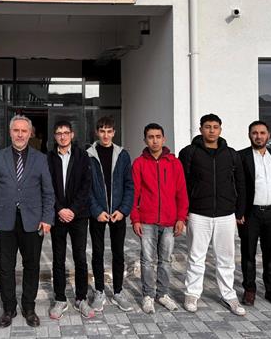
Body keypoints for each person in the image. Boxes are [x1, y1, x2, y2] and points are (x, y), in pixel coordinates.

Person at [0, 115, 55, 328]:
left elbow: (48, 192)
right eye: (16, 130)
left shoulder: (40, 159)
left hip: (32, 222)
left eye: (24, 131)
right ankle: (9, 308)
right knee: (6, 267)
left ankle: (29, 307)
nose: (20, 134)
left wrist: (47, 218)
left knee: (31, 266)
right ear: (10, 132)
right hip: (4, 222)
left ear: (30, 133)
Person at [178, 113, 246, 316]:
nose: (211, 130)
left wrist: (239, 210)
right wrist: (184, 210)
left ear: (220, 130)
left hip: (226, 214)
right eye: (207, 127)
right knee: (196, 257)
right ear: (200, 129)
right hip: (198, 213)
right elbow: (181, 184)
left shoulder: (231, 154)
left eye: (215, 127)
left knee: (226, 258)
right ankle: (192, 294)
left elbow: (240, 183)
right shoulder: (189, 152)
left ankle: (229, 295)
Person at [130, 123, 188, 314]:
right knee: (147, 260)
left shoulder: (174, 163)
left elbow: (181, 192)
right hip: (146, 221)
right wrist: (135, 219)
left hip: (169, 221)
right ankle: (148, 295)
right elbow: (134, 193)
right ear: (145, 140)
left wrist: (181, 218)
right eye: (150, 137)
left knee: (165, 260)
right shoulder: (139, 163)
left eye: (158, 137)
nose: (154, 141)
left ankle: (162, 294)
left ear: (164, 139)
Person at [47, 120, 94, 319]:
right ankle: (60, 299)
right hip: (57, 215)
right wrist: (59, 209)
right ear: (55, 136)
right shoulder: (48, 158)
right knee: (58, 258)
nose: (63, 136)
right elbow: (47, 187)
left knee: (80, 257)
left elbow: (86, 186)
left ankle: (81, 298)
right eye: (59, 133)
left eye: (66, 132)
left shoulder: (83, 156)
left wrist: (72, 210)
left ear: (72, 135)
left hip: (78, 215)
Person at [87, 116, 134, 312]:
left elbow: (129, 185)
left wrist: (123, 210)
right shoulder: (88, 155)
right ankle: (99, 291)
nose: (105, 135)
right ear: (97, 132)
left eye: (109, 131)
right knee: (97, 253)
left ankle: (118, 292)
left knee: (118, 253)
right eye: (102, 131)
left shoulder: (123, 155)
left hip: (117, 213)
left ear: (114, 132)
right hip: (97, 213)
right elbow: (86, 187)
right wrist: (96, 210)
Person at [237, 121, 271, 307]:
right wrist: (239, 211)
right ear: (249, 135)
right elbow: (238, 186)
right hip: (251, 213)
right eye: (255, 133)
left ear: (268, 135)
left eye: (262, 133)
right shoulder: (242, 156)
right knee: (248, 253)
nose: (258, 136)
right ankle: (249, 290)